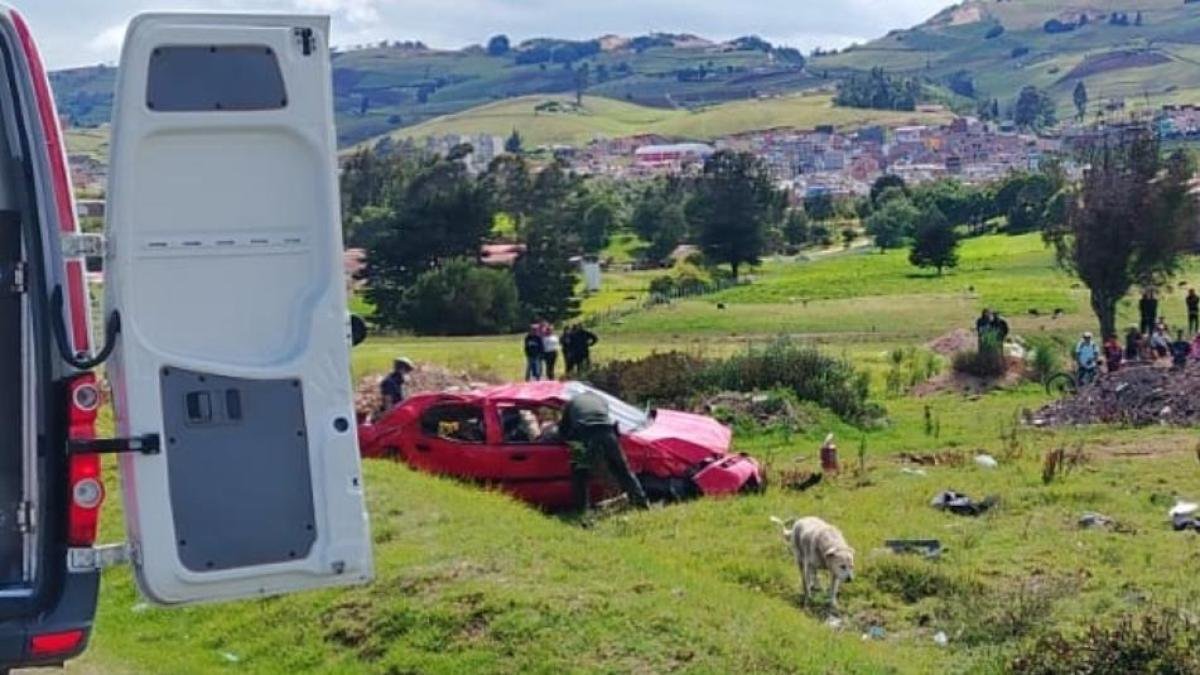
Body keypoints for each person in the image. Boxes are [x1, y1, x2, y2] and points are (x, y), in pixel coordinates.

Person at [561, 389, 649, 512]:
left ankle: (582, 510)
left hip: (583, 433)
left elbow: (563, 429)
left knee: (580, 474)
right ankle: (642, 504)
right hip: (607, 433)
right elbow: (608, 420)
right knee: (623, 470)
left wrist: (567, 440)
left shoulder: (572, 402)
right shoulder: (601, 400)